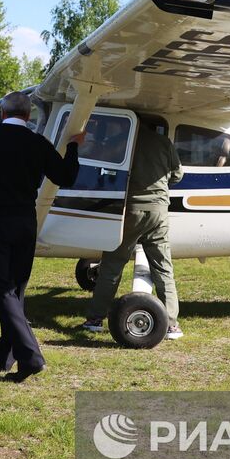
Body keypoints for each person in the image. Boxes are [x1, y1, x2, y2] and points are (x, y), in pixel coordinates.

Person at [0, 92, 84, 382]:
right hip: (25, 225)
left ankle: (31, 357)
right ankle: (4, 357)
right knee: (15, 292)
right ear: (28, 115)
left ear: (2, 112)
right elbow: (65, 176)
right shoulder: (37, 142)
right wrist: (73, 147)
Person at [82, 121, 183, 338]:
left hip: (130, 210)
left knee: (112, 265)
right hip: (158, 212)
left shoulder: (121, 142)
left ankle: (95, 319)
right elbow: (177, 175)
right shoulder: (163, 142)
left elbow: (105, 172)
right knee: (163, 268)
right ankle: (171, 325)